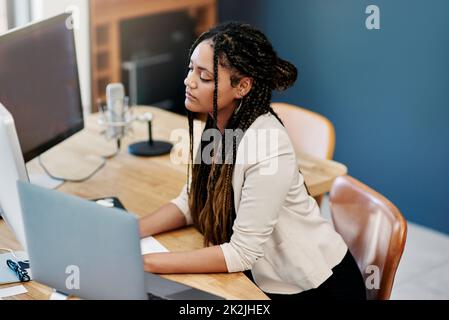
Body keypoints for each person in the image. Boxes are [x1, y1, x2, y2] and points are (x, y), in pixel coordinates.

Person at [139, 22, 366, 300]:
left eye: (205, 76)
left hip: (313, 288)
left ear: (242, 86)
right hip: (261, 277)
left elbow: (242, 253)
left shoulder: (268, 145)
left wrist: (147, 262)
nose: (189, 81)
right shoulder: (221, 128)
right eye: (190, 69)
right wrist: (130, 234)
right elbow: (191, 202)